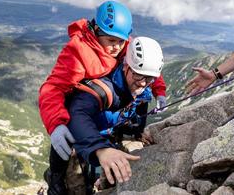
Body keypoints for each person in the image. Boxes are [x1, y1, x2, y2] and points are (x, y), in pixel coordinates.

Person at [40, 1, 166, 195]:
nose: (117, 47)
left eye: (121, 41)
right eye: (111, 40)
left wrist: (159, 90)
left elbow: (144, 66)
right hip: (79, 105)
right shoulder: (78, 51)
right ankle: (56, 179)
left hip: (102, 108)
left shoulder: (125, 44)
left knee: (138, 94)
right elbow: (53, 87)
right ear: (96, 30)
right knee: (65, 142)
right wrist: (56, 123)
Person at [66, 37, 164, 190]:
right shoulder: (103, 89)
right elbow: (77, 114)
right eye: (138, 74)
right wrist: (100, 148)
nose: (143, 83)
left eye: (150, 78)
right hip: (80, 137)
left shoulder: (142, 90)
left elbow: (134, 112)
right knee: (74, 187)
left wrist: (137, 132)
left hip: (107, 133)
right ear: (126, 66)